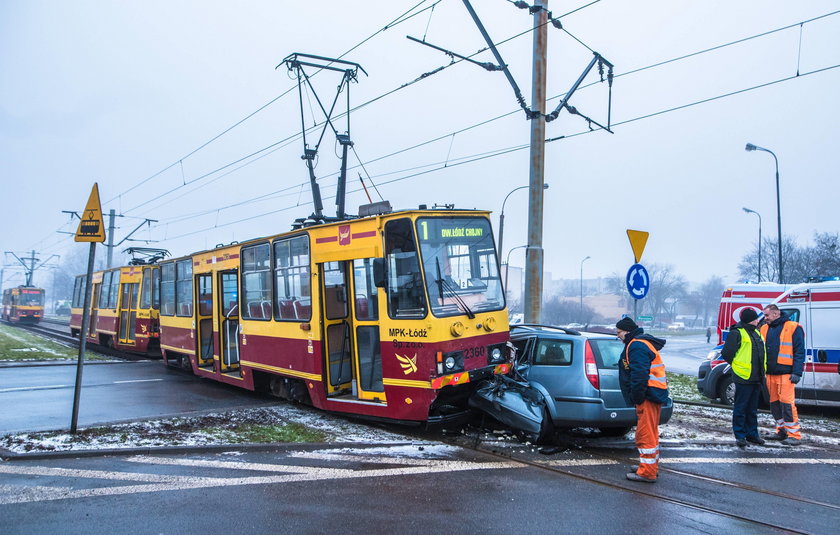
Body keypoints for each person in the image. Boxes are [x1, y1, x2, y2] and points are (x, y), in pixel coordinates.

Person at [616, 316, 669, 483]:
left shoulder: (636, 345)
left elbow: (639, 374)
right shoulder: (640, 343)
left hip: (647, 395)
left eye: (619, 332)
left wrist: (636, 397)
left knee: (645, 433)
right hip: (653, 393)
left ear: (627, 331)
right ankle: (649, 466)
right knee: (650, 433)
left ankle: (647, 472)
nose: (617, 336)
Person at [720, 308, 766, 448]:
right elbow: (727, 353)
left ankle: (752, 434)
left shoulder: (756, 332)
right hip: (743, 376)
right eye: (755, 319)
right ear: (750, 320)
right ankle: (740, 435)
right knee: (741, 408)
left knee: (752, 409)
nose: (757, 320)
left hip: (756, 377)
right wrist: (737, 365)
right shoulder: (737, 333)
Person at [761, 304, 805, 446]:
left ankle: (794, 434)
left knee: (787, 404)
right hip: (770, 373)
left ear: (775, 314)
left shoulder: (793, 327)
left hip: (786, 373)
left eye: (767, 315)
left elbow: (799, 351)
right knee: (774, 404)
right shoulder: (764, 328)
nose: (765, 318)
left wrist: (797, 372)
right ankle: (782, 430)